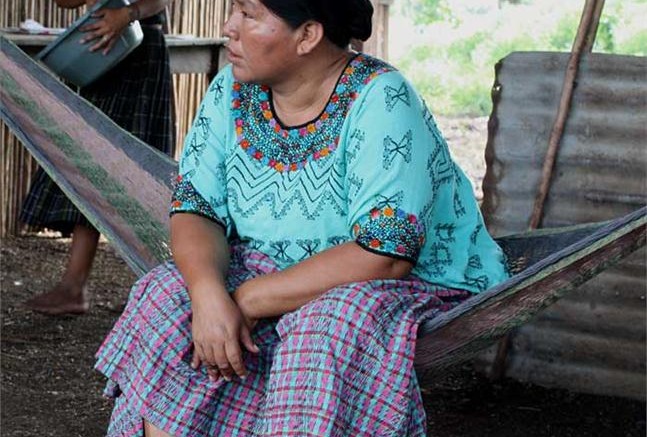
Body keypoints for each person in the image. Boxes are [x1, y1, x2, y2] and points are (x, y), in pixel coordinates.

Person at [95, 0, 510, 435]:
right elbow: (197, 208)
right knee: (166, 296)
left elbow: (385, 255)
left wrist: (249, 299)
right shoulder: (230, 91)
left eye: (248, 15)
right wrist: (207, 294)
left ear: (307, 36)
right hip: (272, 266)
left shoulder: (382, 99)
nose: (228, 27)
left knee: (325, 327)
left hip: (406, 281)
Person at [21, 0, 175, 315]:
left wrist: (127, 14)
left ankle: (157, 291)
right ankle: (74, 286)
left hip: (140, 49)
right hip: (104, 55)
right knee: (88, 165)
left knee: (137, 175)